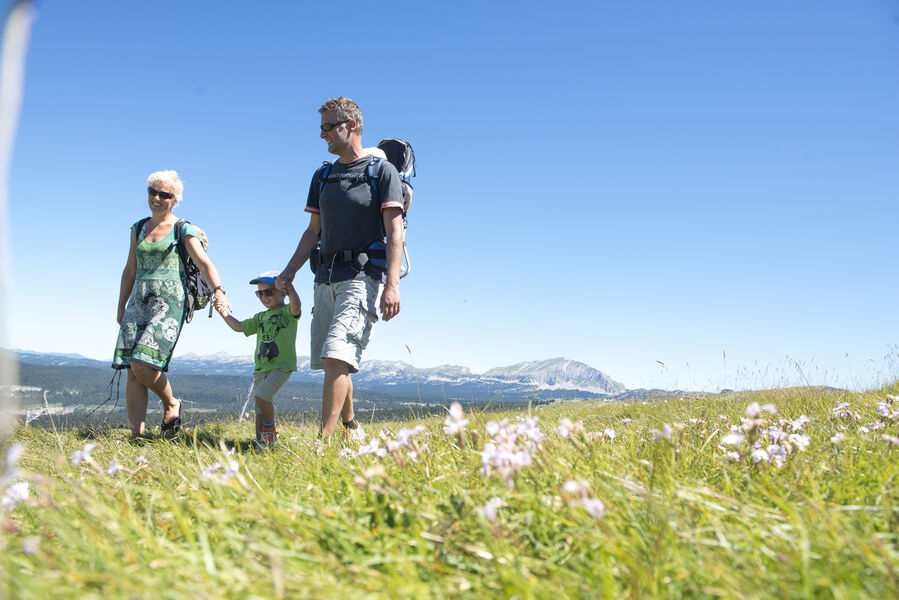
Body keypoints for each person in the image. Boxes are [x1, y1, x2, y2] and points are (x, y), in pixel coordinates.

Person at [278, 97, 405, 439]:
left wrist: (392, 285)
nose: (322, 135)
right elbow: (312, 232)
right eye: (321, 127)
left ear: (352, 127)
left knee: (337, 355)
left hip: (363, 278)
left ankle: (324, 444)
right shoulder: (323, 175)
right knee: (334, 360)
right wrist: (289, 272)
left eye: (328, 126)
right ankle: (351, 426)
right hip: (324, 278)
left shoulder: (382, 172)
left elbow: (395, 232)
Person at [112, 170, 229, 436]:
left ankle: (171, 403)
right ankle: (137, 436)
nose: (156, 198)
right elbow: (130, 270)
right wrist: (121, 305)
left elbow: (204, 262)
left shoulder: (183, 229)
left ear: (174, 199)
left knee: (143, 364)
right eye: (152, 192)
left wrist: (219, 290)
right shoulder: (138, 229)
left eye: (163, 194)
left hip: (168, 304)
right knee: (132, 368)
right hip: (137, 301)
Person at [214, 271, 301, 449]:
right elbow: (239, 327)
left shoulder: (286, 313)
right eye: (259, 293)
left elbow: (296, 307)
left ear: (282, 292)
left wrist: (290, 289)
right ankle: (262, 440)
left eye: (268, 292)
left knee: (262, 396)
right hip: (261, 367)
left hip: (281, 366)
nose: (263, 297)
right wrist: (223, 314)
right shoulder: (261, 317)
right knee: (259, 407)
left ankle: (270, 431)